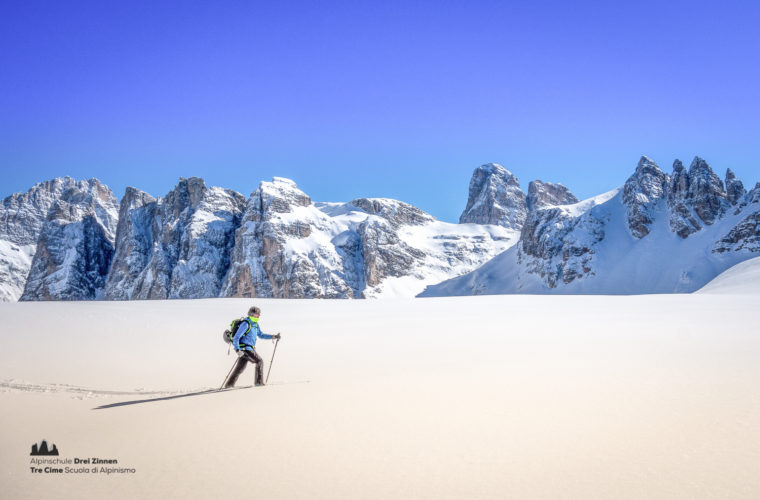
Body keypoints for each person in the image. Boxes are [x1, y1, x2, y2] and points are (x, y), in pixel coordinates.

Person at [225, 306, 281, 388]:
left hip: (249, 348)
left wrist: (273, 336)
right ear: (251, 314)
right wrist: (237, 350)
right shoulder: (246, 323)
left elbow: (261, 335)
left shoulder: (255, 324)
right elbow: (236, 337)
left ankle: (229, 385)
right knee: (259, 361)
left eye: (259, 314)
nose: (258, 316)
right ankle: (259, 383)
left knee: (240, 368)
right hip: (245, 348)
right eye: (256, 314)